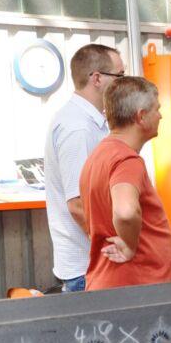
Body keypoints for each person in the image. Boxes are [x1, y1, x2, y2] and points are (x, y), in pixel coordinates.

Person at [79, 77, 171, 290]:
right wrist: (129, 246)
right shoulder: (128, 161)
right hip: (135, 287)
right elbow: (125, 212)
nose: (160, 115)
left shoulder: (99, 156)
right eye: (156, 109)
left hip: (110, 283)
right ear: (141, 116)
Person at [44, 43, 125, 292]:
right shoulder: (77, 128)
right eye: (119, 76)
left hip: (95, 264)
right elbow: (78, 203)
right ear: (97, 78)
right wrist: (118, 245)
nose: (123, 83)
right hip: (88, 268)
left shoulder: (92, 122)